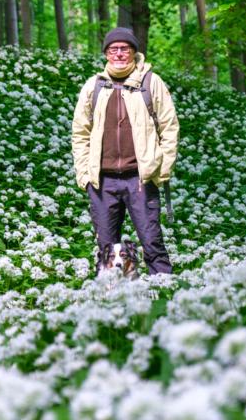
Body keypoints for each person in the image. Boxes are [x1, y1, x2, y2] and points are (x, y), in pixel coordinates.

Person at [71, 27, 180, 275]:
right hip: (103, 181)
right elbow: (80, 132)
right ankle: (110, 302)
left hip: (140, 178)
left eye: (124, 49)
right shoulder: (94, 86)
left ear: (133, 51)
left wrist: (162, 169)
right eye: (113, 49)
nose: (119, 53)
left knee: (152, 242)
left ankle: (163, 295)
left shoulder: (151, 82)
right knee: (106, 248)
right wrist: (84, 174)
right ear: (106, 53)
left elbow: (169, 126)